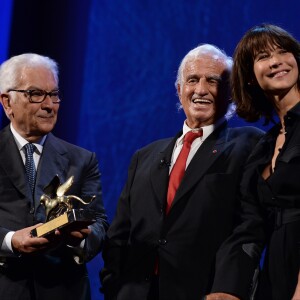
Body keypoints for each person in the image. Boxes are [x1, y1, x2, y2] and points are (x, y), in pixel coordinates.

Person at [100, 44, 264, 300]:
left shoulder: (247, 145)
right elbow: (120, 234)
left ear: (232, 93)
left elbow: (250, 225)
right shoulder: (144, 156)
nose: (201, 89)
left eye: (213, 81)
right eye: (192, 80)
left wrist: (229, 288)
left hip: (205, 292)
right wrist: (113, 286)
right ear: (179, 90)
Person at [0, 53, 108, 300]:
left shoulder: (83, 160)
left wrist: (79, 239)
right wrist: (10, 240)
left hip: (62, 290)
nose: (49, 105)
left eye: (54, 94)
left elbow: (100, 223)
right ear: (7, 102)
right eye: (36, 94)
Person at [208, 24, 300, 300]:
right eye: (263, 57)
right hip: (276, 276)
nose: (276, 62)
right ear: (249, 76)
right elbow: (250, 227)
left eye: (283, 51)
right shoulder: (263, 147)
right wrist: (226, 290)